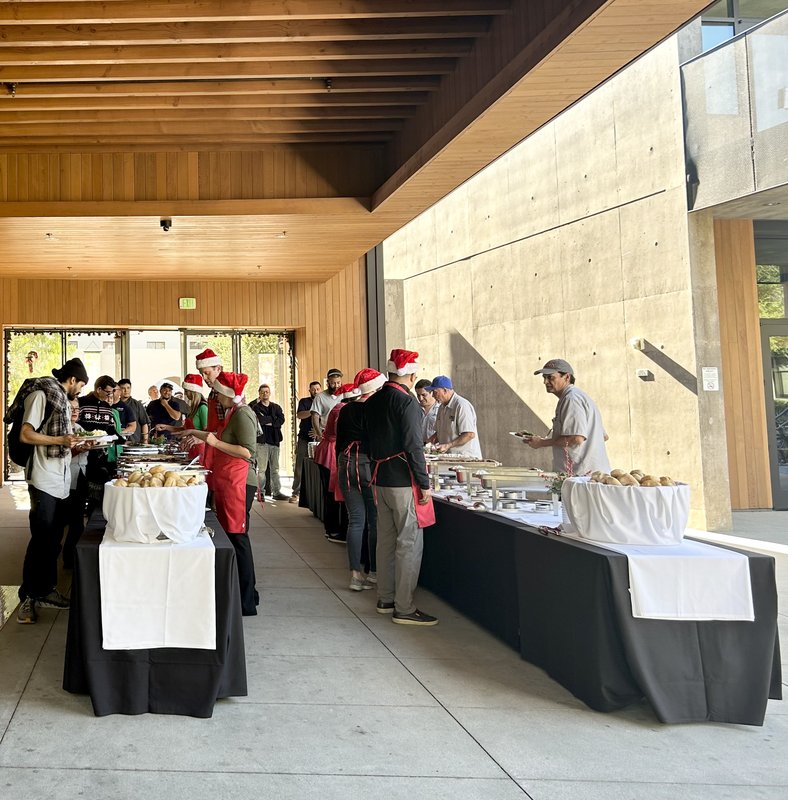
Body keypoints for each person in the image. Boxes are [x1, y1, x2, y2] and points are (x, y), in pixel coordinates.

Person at [364, 349, 437, 626]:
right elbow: (413, 446)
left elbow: (369, 442)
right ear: (410, 374)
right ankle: (404, 606)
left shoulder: (373, 401)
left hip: (380, 477)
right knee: (408, 543)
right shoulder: (407, 403)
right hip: (403, 480)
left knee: (385, 539)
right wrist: (424, 482)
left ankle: (385, 597)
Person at [14, 358, 88, 624]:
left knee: (52, 540)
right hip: (43, 479)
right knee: (41, 540)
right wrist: (61, 440)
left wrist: (78, 444)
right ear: (72, 380)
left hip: (60, 479)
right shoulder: (41, 395)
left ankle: (46, 591)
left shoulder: (58, 398)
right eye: (79, 385)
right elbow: (26, 434)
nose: (79, 391)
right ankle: (28, 598)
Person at [185, 371, 259, 616]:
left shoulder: (243, 414)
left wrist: (215, 444)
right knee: (231, 538)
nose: (214, 394)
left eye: (218, 391)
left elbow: (248, 451)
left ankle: (247, 600)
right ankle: (239, 594)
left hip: (239, 482)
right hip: (227, 480)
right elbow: (215, 436)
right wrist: (192, 434)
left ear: (228, 394)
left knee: (239, 539)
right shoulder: (230, 413)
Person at [336, 368, 386, 592]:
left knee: (355, 520)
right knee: (374, 520)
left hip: (346, 463)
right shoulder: (377, 410)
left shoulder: (345, 410)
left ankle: (355, 575)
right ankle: (374, 572)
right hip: (368, 464)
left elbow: (338, 441)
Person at [525, 359, 611, 475]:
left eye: (550, 377)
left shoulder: (571, 399)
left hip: (580, 477)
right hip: (591, 476)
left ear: (566, 377)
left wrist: (542, 443)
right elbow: (603, 436)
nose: (545, 382)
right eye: (544, 377)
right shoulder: (578, 396)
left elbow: (576, 439)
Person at [313, 383, 355, 543]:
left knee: (330, 493)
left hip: (328, 450)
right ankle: (333, 529)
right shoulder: (341, 410)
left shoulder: (339, 408)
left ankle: (331, 528)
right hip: (331, 451)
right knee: (332, 494)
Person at [78, 375, 122, 516]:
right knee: (81, 487)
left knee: (99, 486)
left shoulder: (106, 407)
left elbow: (110, 429)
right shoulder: (81, 403)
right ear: (98, 389)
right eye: (108, 392)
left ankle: (94, 515)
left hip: (101, 453)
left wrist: (120, 438)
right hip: (80, 452)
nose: (110, 396)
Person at [62, 397, 94, 570]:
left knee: (77, 521)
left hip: (80, 476)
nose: (75, 411)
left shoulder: (80, 429)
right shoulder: (61, 430)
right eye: (71, 408)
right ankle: (69, 559)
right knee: (68, 522)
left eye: (77, 409)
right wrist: (78, 450)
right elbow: (60, 456)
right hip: (65, 480)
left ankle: (74, 559)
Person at [426, 375, 482, 458]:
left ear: (445, 390)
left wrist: (448, 445)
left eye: (435, 392)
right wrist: (427, 443)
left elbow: (469, 434)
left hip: (466, 459)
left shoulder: (462, 405)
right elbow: (439, 433)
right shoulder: (441, 407)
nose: (433, 396)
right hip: (449, 458)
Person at [249, 384, 288, 501]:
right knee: (262, 469)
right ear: (259, 394)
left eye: (267, 392)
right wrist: (273, 419)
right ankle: (261, 493)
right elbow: (259, 421)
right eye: (262, 392)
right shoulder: (255, 408)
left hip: (275, 441)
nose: (265, 394)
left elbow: (281, 420)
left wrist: (269, 420)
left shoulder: (276, 407)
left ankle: (277, 492)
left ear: (270, 393)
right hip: (262, 443)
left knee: (275, 468)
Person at [163, 375, 209, 462]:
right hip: (191, 448)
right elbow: (185, 429)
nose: (185, 394)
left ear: (193, 392)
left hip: (201, 449)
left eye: (187, 391)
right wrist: (166, 427)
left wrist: (198, 439)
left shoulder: (203, 408)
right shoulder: (193, 408)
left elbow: (208, 432)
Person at [290, 380, 321, 503]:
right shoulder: (304, 401)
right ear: (310, 390)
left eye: (318, 389)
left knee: (318, 465)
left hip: (319, 438)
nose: (315, 391)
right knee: (300, 465)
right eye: (313, 389)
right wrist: (313, 412)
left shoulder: (324, 400)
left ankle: (315, 494)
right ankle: (295, 492)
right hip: (304, 437)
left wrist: (319, 432)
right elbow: (300, 415)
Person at [310, 368, 343, 440]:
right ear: (327, 383)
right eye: (333, 383)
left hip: (343, 432)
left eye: (338, 382)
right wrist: (319, 434)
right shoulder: (320, 397)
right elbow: (315, 416)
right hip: (326, 433)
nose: (336, 386)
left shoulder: (346, 394)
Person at [117, 378, 149, 444]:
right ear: (118, 390)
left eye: (128, 388)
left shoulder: (137, 404)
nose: (126, 390)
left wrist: (145, 440)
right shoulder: (115, 404)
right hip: (118, 440)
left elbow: (144, 423)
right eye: (123, 388)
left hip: (134, 441)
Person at [415, 378, 440, 444]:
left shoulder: (441, 409)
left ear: (432, 393)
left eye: (424, 395)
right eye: (418, 395)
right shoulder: (415, 409)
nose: (420, 398)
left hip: (436, 448)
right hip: (419, 448)